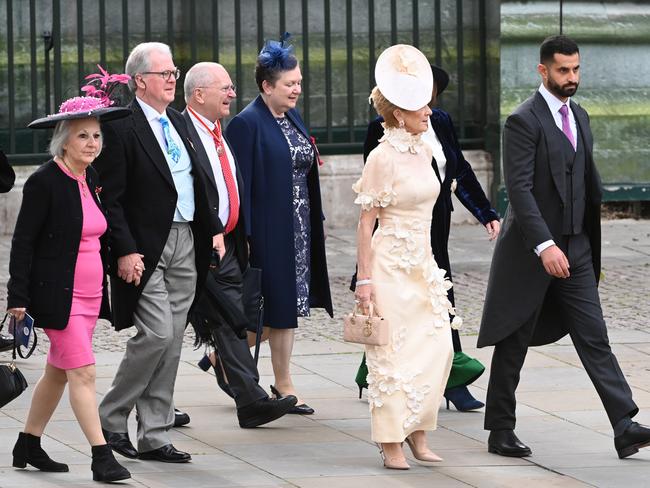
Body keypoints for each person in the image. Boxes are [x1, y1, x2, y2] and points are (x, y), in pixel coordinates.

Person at [479, 35, 650, 459]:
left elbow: (585, 182)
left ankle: (624, 424)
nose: (571, 78)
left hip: (576, 249)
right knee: (513, 340)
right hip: (530, 254)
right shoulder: (523, 120)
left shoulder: (582, 116)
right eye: (562, 70)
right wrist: (544, 245)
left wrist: (587, 245)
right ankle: (500, 430)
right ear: (543, 71)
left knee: (595, 336)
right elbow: (518, 189)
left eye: (575, 69)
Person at [94, 42, 215, 463]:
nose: (172, 80)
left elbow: (196, 179)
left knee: (174, 340)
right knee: (157, 333)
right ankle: (111, 415)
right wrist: (124, 250)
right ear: (140, 80)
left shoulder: (178, 122)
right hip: (145, 247)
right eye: (165, 74)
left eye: (174, 73)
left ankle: (154, 434)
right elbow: (110, 198)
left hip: (187, 239)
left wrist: (212, 230)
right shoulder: (121, 126)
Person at [357, 63, 500, 411]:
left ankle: (437, 376)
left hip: (434, 226)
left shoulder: (441, 122)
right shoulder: (381, 129)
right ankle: (418, 379)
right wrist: (366, 268)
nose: (426, 102)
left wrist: (485, 213)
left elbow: (459, 169)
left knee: (436, 304)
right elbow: (373, 198)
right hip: (397, 230)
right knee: (399, 309)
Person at [6, 92, 131, 482]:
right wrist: (18, 298)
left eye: (96, 136)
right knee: (84, 373)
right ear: (63, 140)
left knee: (59, 372)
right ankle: (101, 456)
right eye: (83, 136)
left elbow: (102, 227)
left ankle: (28, 443)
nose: (92, 143)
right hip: (57, 296)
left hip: (91, 296)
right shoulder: (44, 182)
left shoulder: (90, 177)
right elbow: (23, 242)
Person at [354, 44, 456, 470]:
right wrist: (364, 280)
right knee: (393, 352)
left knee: (437, 347)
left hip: (423, 262)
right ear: (399, 113)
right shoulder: (381, 157)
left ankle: (418, 431)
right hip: (390, 263)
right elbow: (365, 223)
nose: (429, 112)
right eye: (421, 108)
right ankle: (390, 439)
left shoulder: (426, 150)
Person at [182, 61, 298, 427]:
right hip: (197, 244)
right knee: (169, 332)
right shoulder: (182, 132)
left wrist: (237, 235)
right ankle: (248, 399)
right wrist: (210, 228)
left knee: (231, 321)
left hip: (226, 244)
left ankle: (250, 401)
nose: (233, 93)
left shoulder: (218, 130)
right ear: (199, 94)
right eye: (225, 88)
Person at [226, 34, 333, 414]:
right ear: (266, 86)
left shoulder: (292, 117)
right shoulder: (246, 124)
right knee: (268, 307)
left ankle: (276, 379)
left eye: (299, 83)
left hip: (298, 228)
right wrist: (248, 237)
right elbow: (240, 186)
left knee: (288, 304)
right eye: (289, 84)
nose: (297, 90)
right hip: (268, 231)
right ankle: (236, 362)